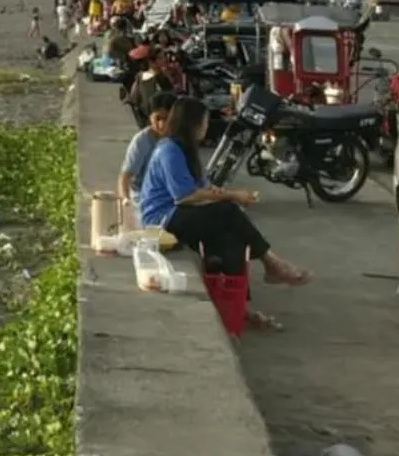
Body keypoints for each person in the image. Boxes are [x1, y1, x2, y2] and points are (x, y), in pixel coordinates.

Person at [140, 99, 310, 321]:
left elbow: (202, 188)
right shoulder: (169, 150)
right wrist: (232, 196)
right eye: (204, 122)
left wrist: (228, 194)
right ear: (193, 124)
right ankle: (273, 263)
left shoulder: (186, 150)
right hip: (162, 220)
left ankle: (238, 309)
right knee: (228, 211)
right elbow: (185, 196)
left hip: (179, 214)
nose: (206, 127)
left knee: (232, 239)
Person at [117, 91, 177, 215]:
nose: (162, 124)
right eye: (158, 119)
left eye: (167, 119)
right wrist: (125, 199)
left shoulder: (179, 139)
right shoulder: (142, 141)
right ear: (150, 117)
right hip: (144, 196)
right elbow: (125, 176)